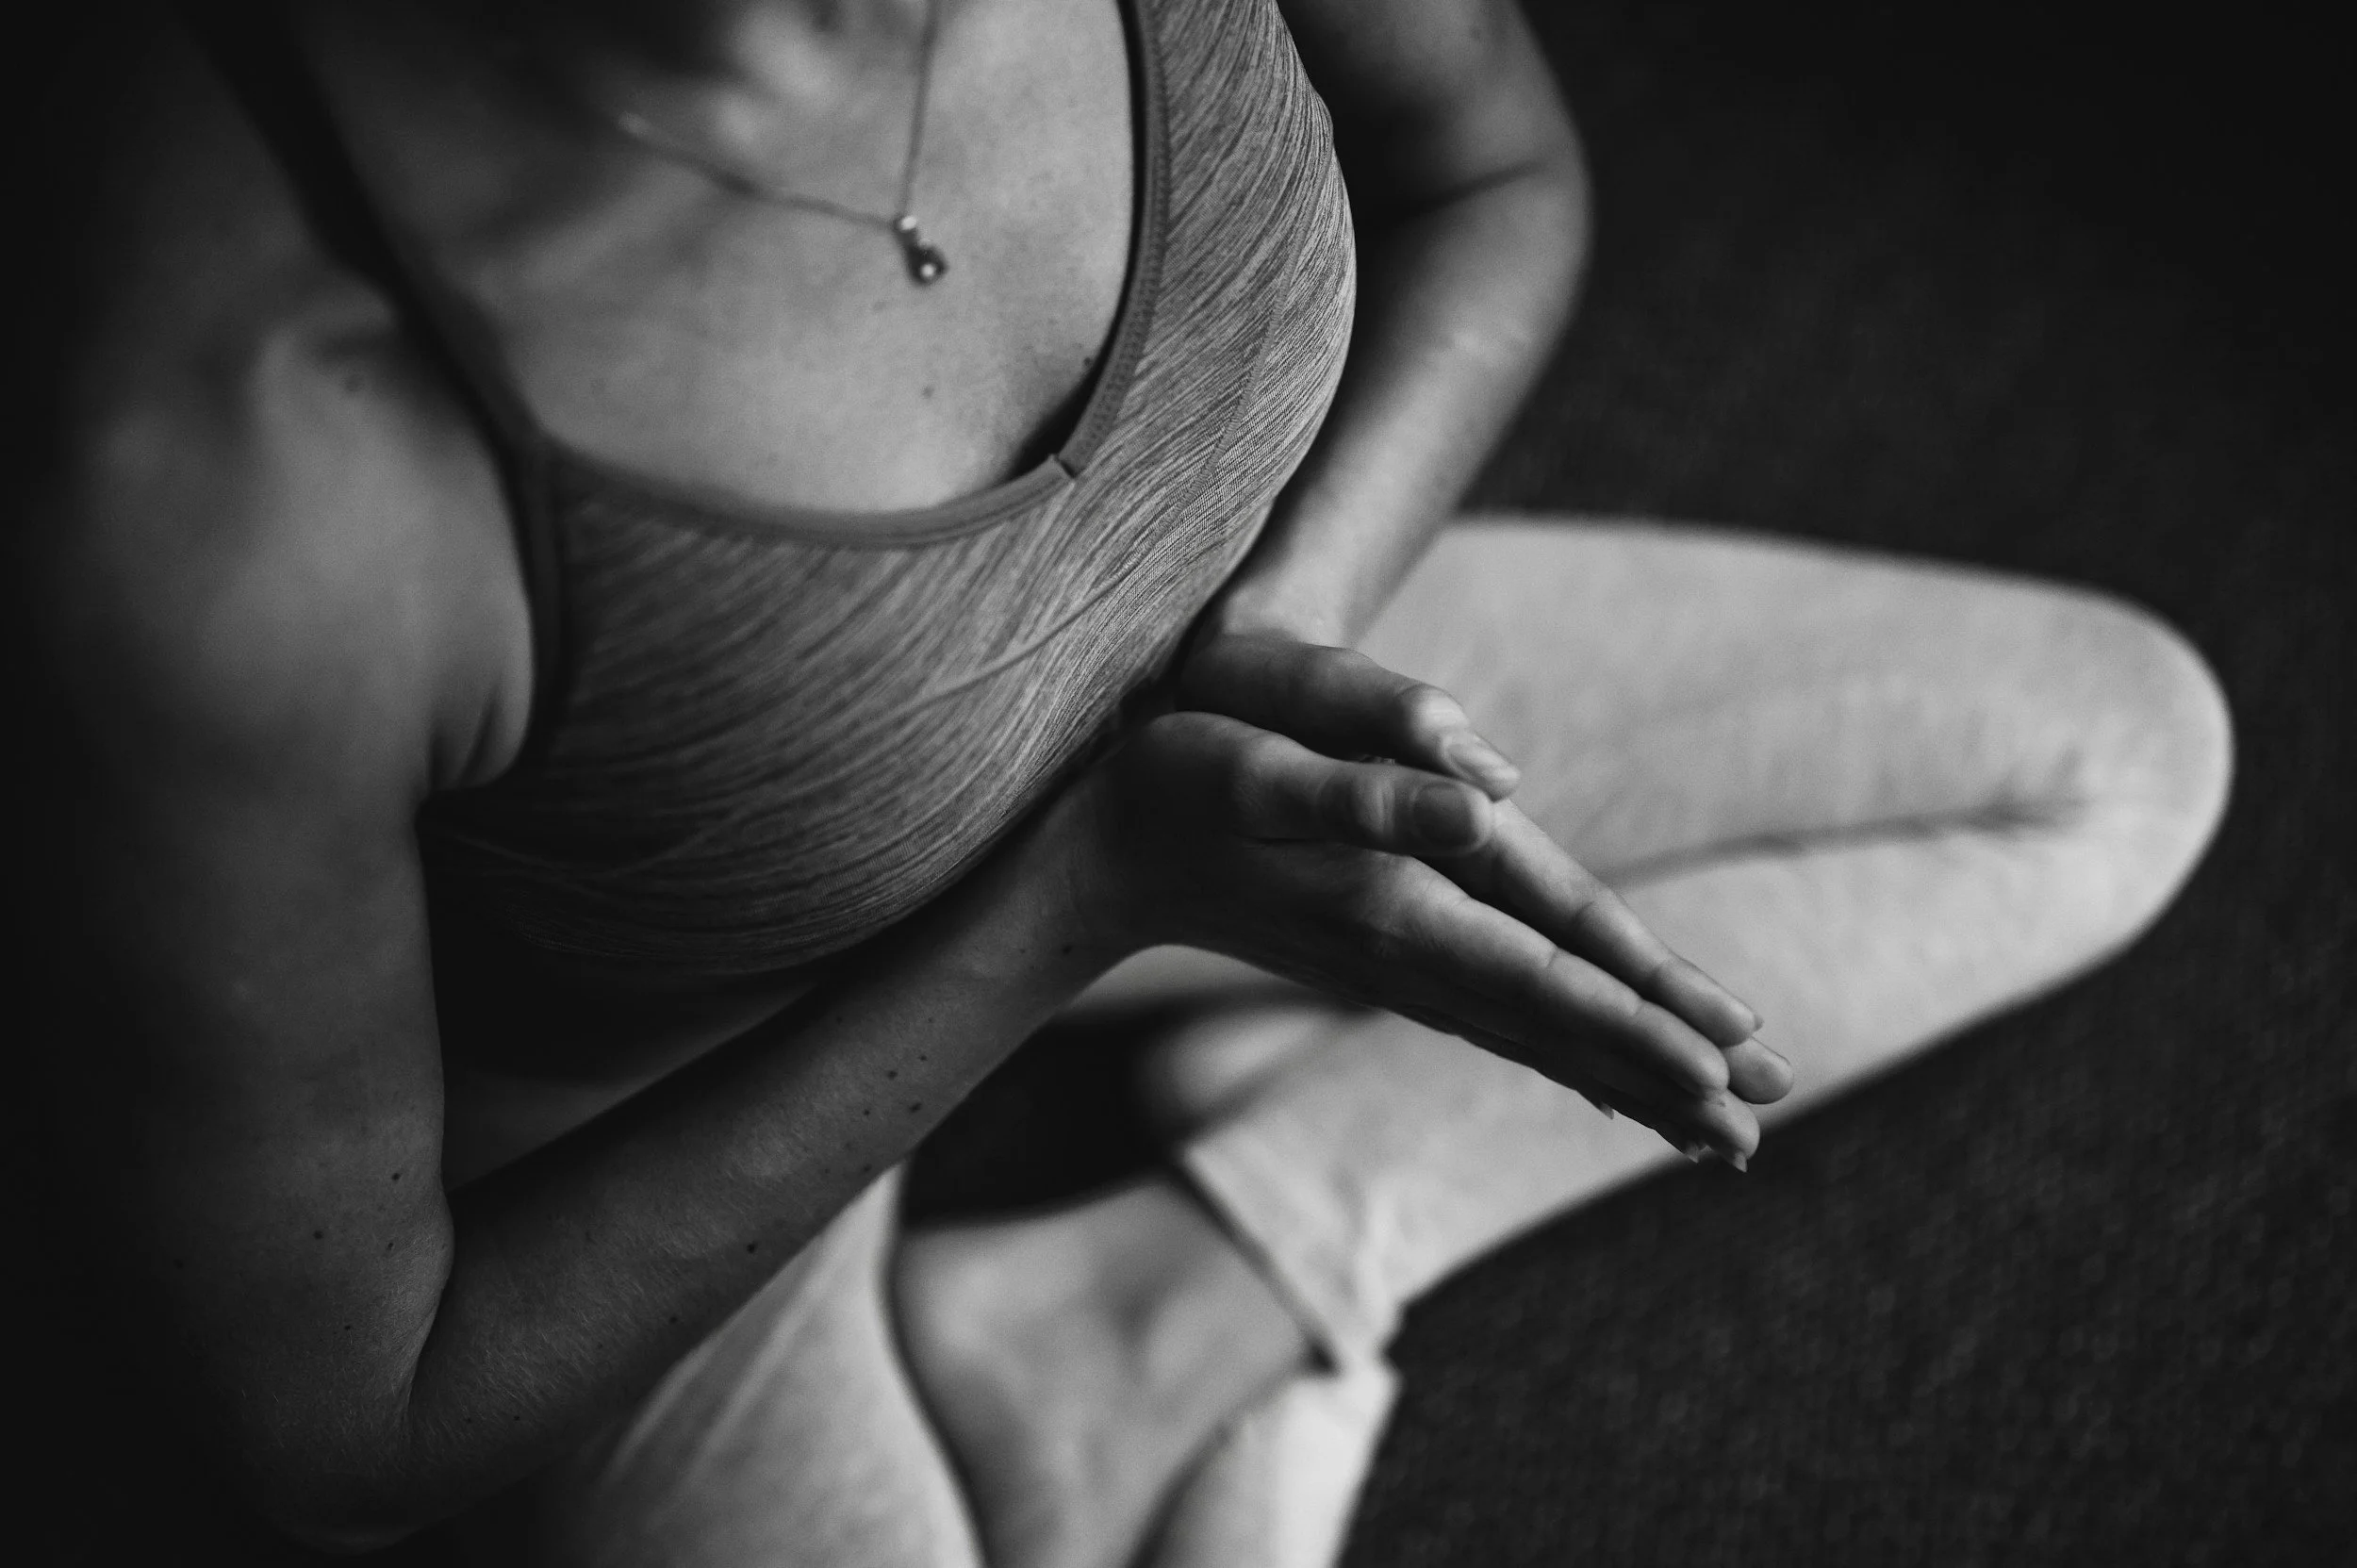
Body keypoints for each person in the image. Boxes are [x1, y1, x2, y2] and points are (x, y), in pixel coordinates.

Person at [15, 0, 2231, 1563]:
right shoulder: (237, 472)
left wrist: (1266, 685)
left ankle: (1140, 1309)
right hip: (683, 1118)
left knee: (2105, 761)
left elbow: (1493, 167)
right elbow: (344, 1429)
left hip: (1200, 741)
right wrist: (1078, 900)